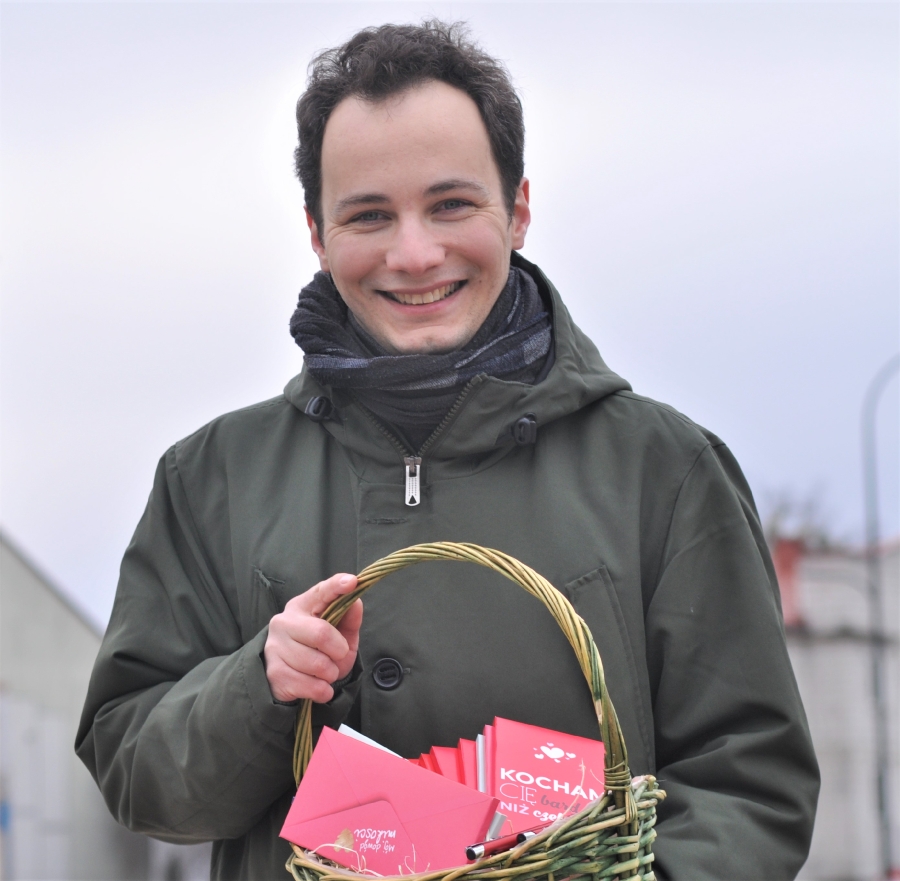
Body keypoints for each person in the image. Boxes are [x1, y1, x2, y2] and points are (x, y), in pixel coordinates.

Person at [76, 20, 819, 881]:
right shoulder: (210, 479)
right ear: (317, 233)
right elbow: (136, 773)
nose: (415, 253)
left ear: (520, 209)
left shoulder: (667, 472)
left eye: (451, 205)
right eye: (369, 215)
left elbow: (750, 785)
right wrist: (259, 684)